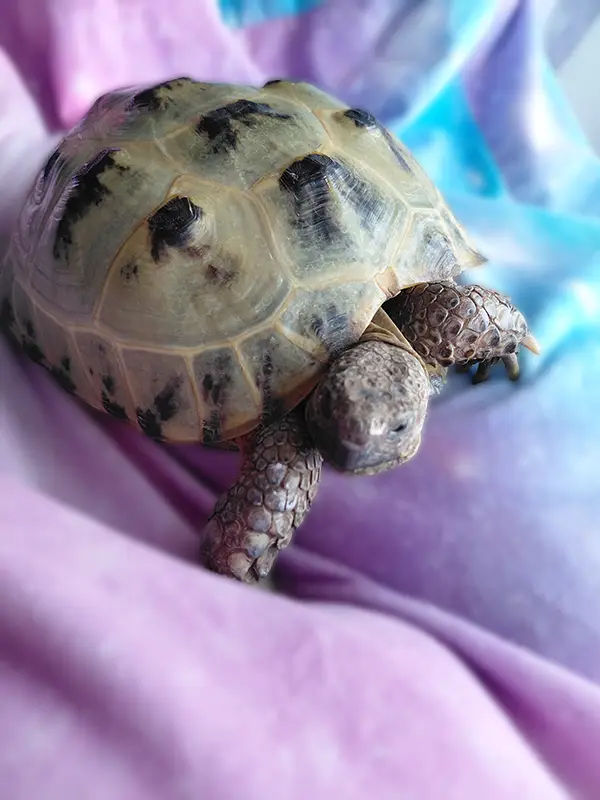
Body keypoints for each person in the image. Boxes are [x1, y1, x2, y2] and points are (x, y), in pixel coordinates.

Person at [1, 2, 599, 797]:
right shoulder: (296, 436)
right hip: (108, 197)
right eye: (345, 421)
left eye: (377, 426)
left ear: (415, 373)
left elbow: (479, 315)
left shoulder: (439, 313)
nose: (354, 441)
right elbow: (272, 493)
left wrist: (503, 330)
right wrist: (239, 564)